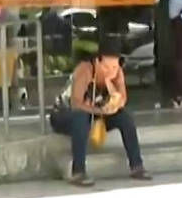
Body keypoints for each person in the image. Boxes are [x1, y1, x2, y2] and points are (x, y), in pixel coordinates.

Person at [49, 38, 151, 186]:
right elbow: (76, 103)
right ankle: (78, 171)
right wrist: (100, 110)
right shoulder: (85, 69)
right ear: (98, 61)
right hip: (65, 114)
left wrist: (114, 103)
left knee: (125, 118)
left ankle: (137, 166)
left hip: (95, 114)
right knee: (80, 117)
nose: (111, 71)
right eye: (107, 68)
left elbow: (122, 99)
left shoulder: (117, 73)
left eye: (115, 67)